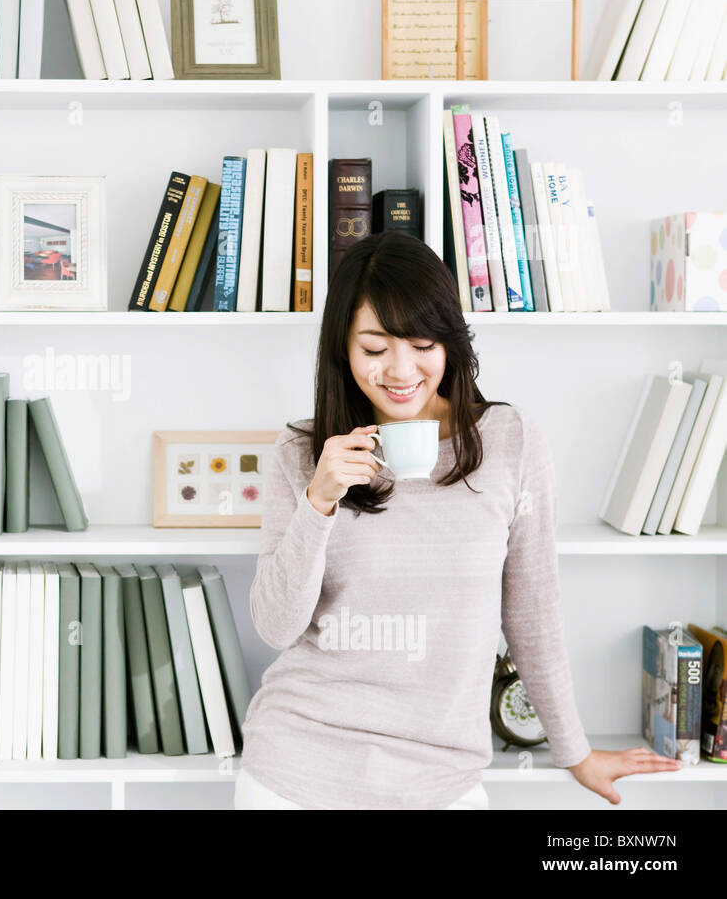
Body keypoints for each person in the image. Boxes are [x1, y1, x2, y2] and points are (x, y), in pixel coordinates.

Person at [234, 233, 682, 809]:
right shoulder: (301, 453)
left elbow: (532, 608)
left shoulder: (510, 441)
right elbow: (276, 627)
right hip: (297, 773)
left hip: (441, 783)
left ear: (450, 341)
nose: (400, 371)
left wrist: (575, 751)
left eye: (422, 343)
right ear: (342, 349)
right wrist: (318, 501)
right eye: (374, 349)